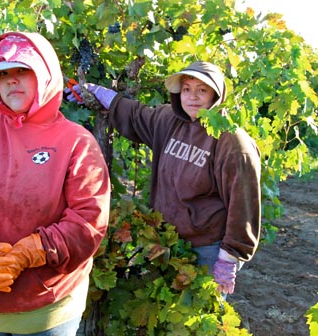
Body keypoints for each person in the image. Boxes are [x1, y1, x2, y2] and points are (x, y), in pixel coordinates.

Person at [0, 31, 111, 336]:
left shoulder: (77, 142)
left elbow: (88, 220)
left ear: (46, 74)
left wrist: (27, 253)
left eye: (22, 70)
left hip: (48, 311)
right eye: (3, 73)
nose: (12, 80)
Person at [66, 61, 261, 296]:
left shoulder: (231, 141)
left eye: (202, 90)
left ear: (216, 94)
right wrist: (101, 95)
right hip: (166, 241)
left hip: (206, 249)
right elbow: (137, 115)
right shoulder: (170, 120)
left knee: (194, 324)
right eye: (187, 89)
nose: (193, 97)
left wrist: (229, 258)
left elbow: (244, 205)